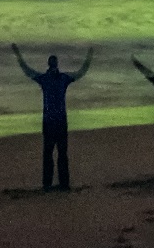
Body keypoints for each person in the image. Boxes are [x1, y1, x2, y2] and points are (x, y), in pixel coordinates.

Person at [11, 43, 94, 190]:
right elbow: (81, 72)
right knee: (57, 154)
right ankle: (60, 184)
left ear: (50, 64)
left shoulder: (48, 78)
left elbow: (27, 71)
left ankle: (51, 184)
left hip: (52, 121)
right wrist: (89, 57)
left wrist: (18, 56)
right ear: (54, 64)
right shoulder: (60, 78)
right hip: (57, 121)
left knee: (53, 154)